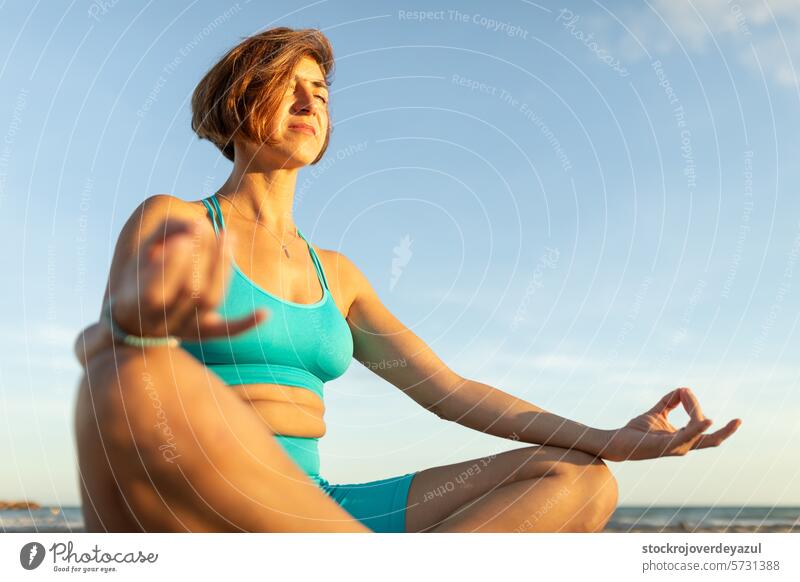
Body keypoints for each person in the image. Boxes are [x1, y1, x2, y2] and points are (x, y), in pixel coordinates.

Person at [72, 27, 742, 533]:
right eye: (288, 86)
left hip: (318, 513)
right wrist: (134, 326)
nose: (310, 101)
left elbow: (451, 392)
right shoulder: (177, 223)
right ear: (240, 101)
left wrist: (614, 440)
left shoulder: (336, 274)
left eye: (321, 93)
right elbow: (115, 373)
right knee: (130, 374)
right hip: (209, 496)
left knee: (581, 480)